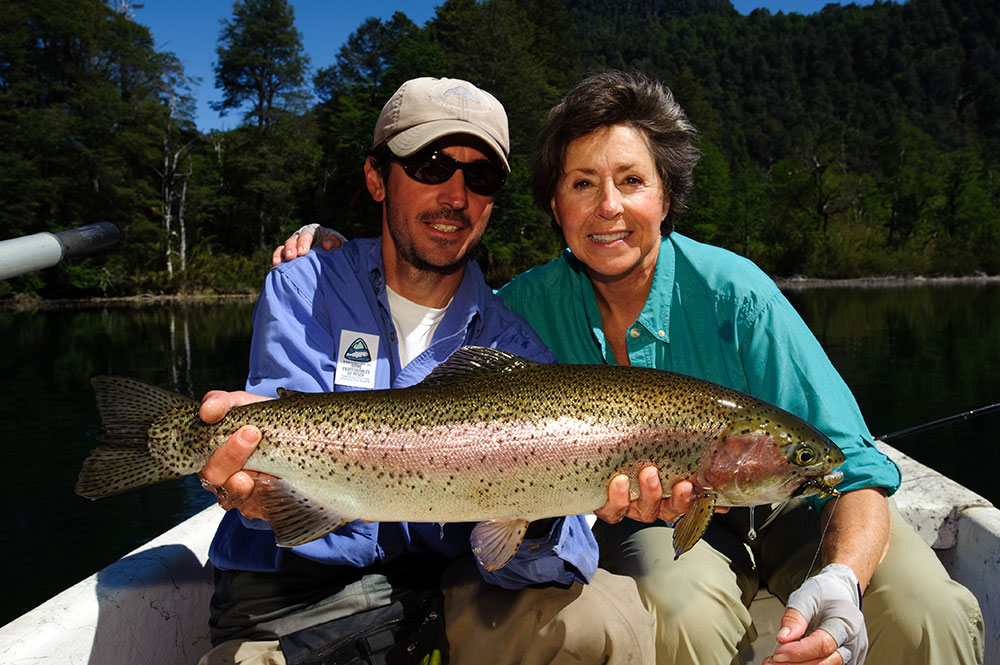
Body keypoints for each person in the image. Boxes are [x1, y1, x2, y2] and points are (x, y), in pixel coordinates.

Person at [281, 71, 985, 665]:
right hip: (655, 519)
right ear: (555, 206)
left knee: (930, 612)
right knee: (677, 608)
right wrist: (345, 256)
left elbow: (851, 463)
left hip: (797, 502)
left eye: (631, 180)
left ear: (665, 197)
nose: (608, 207)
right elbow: (427, 335)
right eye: (583, 183)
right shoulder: (519, 309)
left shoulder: (739, 295)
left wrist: (842, 578)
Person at [195, 76, 659, 665]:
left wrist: (541, 507)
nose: (456, 196)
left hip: (437, 591)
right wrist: (252, 482)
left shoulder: (510, 345)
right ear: (376, 178)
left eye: (481, 177)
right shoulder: (305, 284)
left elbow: (537, 559)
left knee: (610, 622)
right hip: (290, 597)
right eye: (431, 165)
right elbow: (277, 453)